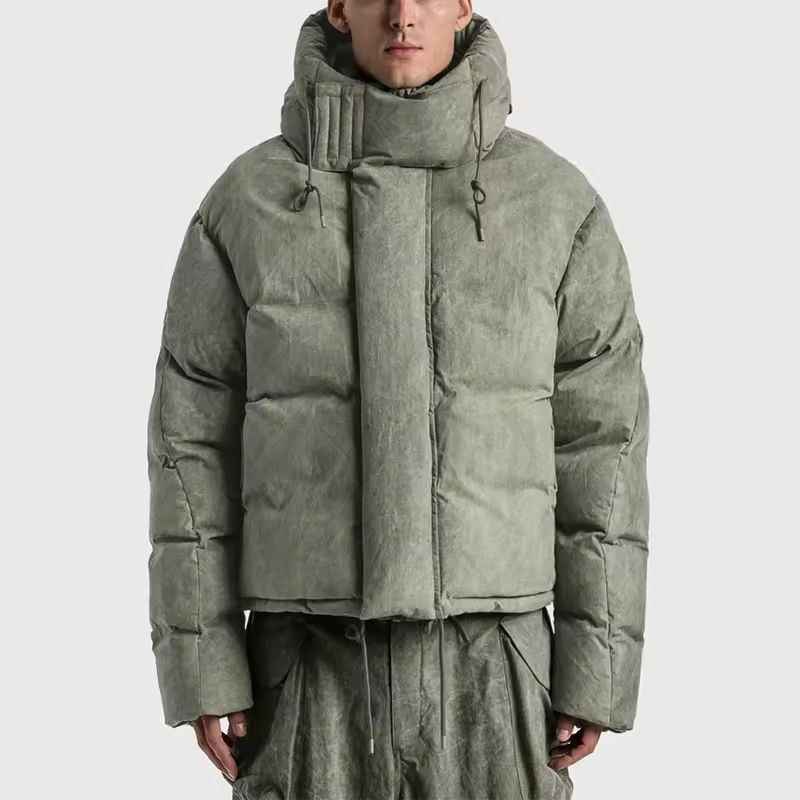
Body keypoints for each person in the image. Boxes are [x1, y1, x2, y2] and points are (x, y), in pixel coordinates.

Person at [145, 2, 650, 798]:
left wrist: (600, 667)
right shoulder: (246, 206)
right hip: (304, 668)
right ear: (339, 8)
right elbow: (189, 444)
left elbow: (604, 447)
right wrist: (203, 663)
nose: (403, 14)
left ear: (464, 5)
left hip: (497, 668)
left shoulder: (556, 206)